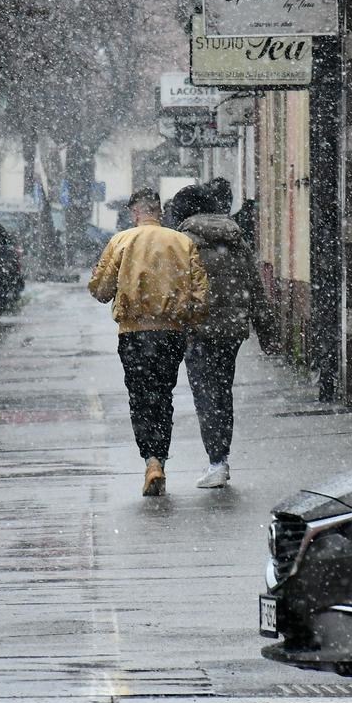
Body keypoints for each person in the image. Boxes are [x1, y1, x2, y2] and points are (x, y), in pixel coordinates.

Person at [88, 187, 209, 496]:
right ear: (159, 211)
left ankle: (151, 460)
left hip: (133, 333)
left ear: (135, 212)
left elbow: (101, 290)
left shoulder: (121, 241)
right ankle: (161, 460)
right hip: (170, 332)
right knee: (163, 395)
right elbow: (200, 294)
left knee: (140, 396)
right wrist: (187, 321)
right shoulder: (182, 242)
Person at [176, 184, 276, 488]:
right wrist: (265, 328)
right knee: (222, 391)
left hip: (199, 329)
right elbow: (254, 284)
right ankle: (221, 458)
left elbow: (177, 288)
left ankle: (217, 461)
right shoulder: (235, 237)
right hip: (231, 330)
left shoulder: (184, 241)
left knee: (205, 394)